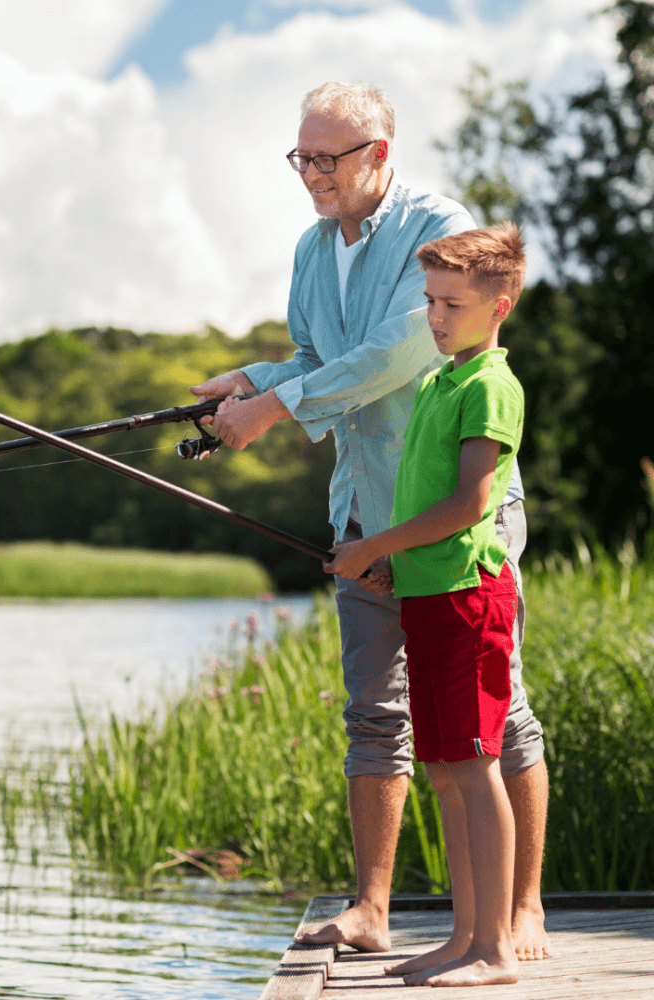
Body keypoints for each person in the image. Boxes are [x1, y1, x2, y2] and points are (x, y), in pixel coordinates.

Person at [189, 82, 549, 959]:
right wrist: (254, 378)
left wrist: (276, 410)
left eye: (328, 158)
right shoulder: (314, 250)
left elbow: (398, 354)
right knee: (374, 716)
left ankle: (521, 912)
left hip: (452, 524)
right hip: (361, 514)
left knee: (497, 720)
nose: (311, 175)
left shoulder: (437, 227)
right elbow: (319, 357)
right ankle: (372, 909)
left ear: (378, 155)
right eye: (301, 157)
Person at [326, 223, 526, 987]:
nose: (436, 318)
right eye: (431, 302)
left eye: (453, 304)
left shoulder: (488, 386)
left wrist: (377, 546)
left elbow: (473, 503)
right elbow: (426, 505)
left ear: (498, 307)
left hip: (472, 601)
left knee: (477, 768)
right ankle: (464, 936)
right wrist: (396, 567)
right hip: (430, 595)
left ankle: (497, 949)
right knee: (444, 767)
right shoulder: (442, 380)